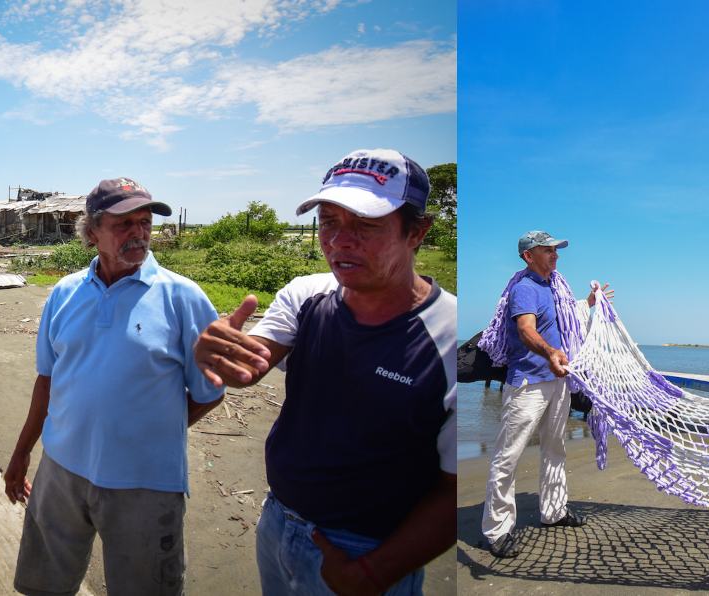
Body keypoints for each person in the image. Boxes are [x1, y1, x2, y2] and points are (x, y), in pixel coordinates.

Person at [192, 149, 456, 595]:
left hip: (368, 550)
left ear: (418, 232)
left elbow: (455, 491)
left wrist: (375, 571)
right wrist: (217, 354)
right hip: (278, 521)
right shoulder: (307, 296)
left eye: (366, 226)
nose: (339, 241)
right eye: (329, 222)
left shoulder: (447, 338)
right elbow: (251, 362)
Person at [3, 178, 223, 595]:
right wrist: (21, 454)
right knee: (43, 585)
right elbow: (47, 381)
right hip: (60, 473)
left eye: (145, 223)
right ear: (92, 231)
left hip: (146, 484)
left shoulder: (183, 299)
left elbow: (209, 394)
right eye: (124, 224)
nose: (139, 233)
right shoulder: (65, 294)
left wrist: (144, 434)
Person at [478, 231, 609, 558]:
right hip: (528, 383)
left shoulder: (555, 288)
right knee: (507, 456)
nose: (555, 256)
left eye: (556, 250)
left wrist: (590, 303)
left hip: (558, 381)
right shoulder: (524, 289)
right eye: (547, 250)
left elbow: (566, 318)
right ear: (528, 256)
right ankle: (497, 529)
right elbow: (526, 330)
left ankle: (553, 511)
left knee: (555, 448)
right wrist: (551, 352)